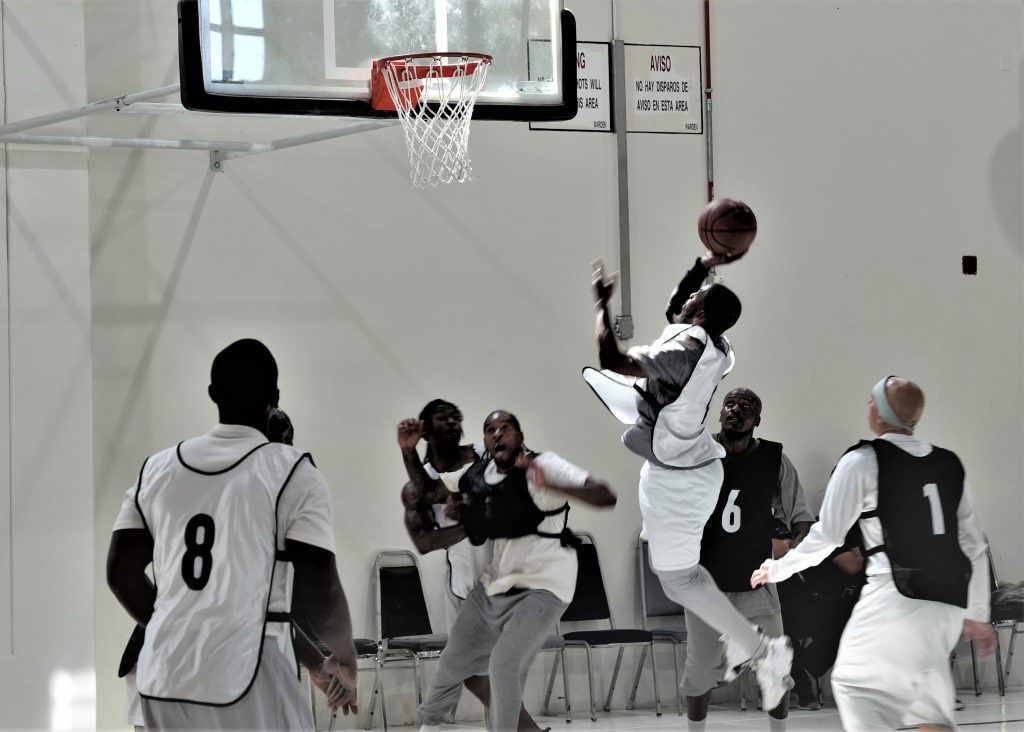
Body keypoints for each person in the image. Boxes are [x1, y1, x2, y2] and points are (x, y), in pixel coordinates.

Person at [106, 338, 358, 729]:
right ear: (275, 397)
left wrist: (172, 627)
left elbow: (120, 573)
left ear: (212, 393)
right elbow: (321, 591)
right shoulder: (291, 472)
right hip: (249, 672)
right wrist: (344, 659)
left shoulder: (155, 470)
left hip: (163, 675)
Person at [590, 252, 794, 712]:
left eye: (694, 298)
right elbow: (677, 302)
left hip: (679, 475)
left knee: (679, 580)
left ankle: (763, 650)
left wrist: (601, 305)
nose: (684, 300)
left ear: (699, 313)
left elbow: (611, 358)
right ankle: (751, 645)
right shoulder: (717, 347)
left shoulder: (683, 350)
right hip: (690, 468)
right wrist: (703, 264)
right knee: (684, 577)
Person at [751, 376, 996, 731]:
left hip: (894, 596)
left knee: (853, 683)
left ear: (880, 414)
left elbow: (826, 536)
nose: (867, 404)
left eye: (871, 399)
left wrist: (777, 569)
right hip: (947, 605)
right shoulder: (949, 462)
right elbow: (972, 543)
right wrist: (977, 611)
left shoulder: (863, 461)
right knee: (927, 706)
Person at [417, 410, 617, 732]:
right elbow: (429, 491)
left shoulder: (545, 464)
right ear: (484, 441)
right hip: (500, 581)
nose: (497, 434)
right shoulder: (479, 473)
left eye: (505, 428)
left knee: (503, 662)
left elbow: (605, 496)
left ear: (520, 437)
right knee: (453, 660)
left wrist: (550, 481)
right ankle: (429, 726)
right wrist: (407, 451)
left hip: (545, 586)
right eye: (490, 430)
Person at [398, 400, 543, 731]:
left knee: (491, 667)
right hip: (463, 586)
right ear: (424, 428)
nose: (451, 422)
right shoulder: (421, 482)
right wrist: (407, 452)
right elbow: (424, 542)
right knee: (474, 671)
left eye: (455, 417)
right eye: (441, 418)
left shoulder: (484, 451)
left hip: (508, 580)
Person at [681, 387, 815, 730]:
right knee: (701, 668)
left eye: (747, 406)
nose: (736, 409)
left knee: (776, 666)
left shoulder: (774, 460)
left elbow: (800, 515)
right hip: (705, 581)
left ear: (758, 419)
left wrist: (791, 555)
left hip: (755, 581)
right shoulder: (698, 452)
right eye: (730, 403)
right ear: (720, 412)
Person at [775, 524, 865, 710]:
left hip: (832, 602)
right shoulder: (829, 527)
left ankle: (806, 670)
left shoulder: (858, 530)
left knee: (855, 619)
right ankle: (804, 671)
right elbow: (852, 566)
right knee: (848, 621)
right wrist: (874, 553)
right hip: (810, 601)